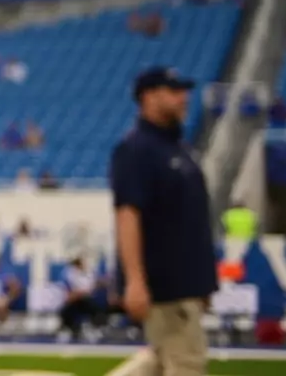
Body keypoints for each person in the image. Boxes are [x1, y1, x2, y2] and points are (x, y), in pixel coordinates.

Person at [111, 66, 216, 376]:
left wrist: (204, 281)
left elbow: (191, 221)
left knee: (158, 361)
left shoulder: (179, 150)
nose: (184, 98)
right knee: (188, 364)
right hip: (166, 285)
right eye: (174, 91)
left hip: (187, 282)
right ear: (149, 97)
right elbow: (128, 215)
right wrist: (134, 280)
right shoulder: (137, 150)